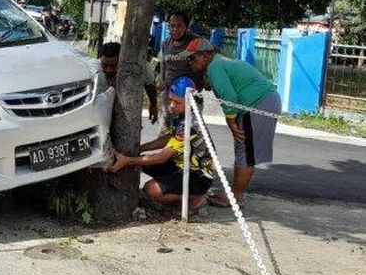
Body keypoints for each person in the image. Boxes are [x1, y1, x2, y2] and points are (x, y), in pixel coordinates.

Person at [181, 37, 281, 208]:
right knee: (243, 151)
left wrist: (231, 123)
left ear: (206, 56)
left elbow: (229, 97)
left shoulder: (215, 67)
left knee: (245, 152)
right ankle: (234, 194)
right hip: (261, 102)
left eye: (192, 57)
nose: (189, 62)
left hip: (257, 104)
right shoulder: (218, 64)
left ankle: (236, 198)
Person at [105, 76, 215, 212]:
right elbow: (168, 138)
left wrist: (127, 161)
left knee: (151, 189)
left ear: (189, 102)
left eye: (177, 102)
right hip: (182, 164)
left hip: (199, 175)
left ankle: (196, 197)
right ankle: (175, 191)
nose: (171, 105)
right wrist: (139, 149)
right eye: (171, 100)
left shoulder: (190, 124)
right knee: (144, 161)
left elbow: (162, 157)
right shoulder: (184, 114)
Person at [158, 12, 202, 134]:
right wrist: (161, 79)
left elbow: (206, 62)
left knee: (189, 134)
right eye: (172, 26)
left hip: (189, 99)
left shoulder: (196, 42)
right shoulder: (165, 43)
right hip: (168, 96)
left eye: (179, 25)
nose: (175, 29)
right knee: (165, 132)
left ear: (187, 26)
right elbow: (163, 63)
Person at [100, 41, 158, 123]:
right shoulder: (94, 68)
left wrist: (153, 105)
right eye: (105, 66)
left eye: (113, 66)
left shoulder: (139, 66)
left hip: (129, 117)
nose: (108, 70)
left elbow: (150, 85)